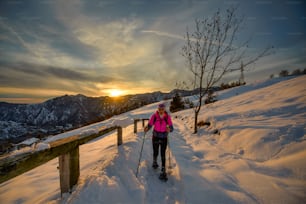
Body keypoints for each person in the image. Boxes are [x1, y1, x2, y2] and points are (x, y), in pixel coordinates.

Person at [144, 103, 174, 177]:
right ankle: (154, 161)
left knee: (163, 153)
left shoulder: (167, 117)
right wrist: (147, 128)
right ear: (158, 109)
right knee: (156, 151)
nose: (161, 111)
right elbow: (150, 125)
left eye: (162, 109)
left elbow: (172, 128)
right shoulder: (154, 116)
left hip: (164, 137)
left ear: (164, 110)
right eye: (159, 109)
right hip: (156, 136)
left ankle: (163, 169)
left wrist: (169, 129)